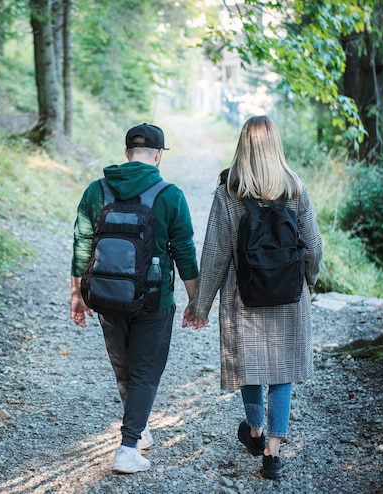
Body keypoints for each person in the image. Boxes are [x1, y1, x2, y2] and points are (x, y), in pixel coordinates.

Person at [183, 115, 323, 479]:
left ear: (243, 145)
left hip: (242, 295)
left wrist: (200, 306)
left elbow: (214, 254)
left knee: (250, 363)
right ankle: (272, 456)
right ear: (276, 145)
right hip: (289, 295)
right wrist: (308, 281)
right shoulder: (295, 188)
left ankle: (255, 431)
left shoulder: (229, 190)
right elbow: (315, 248)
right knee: (283, 370)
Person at [70, 123, 199, 474]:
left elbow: (82, 243)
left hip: (107, 296)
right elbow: (184, 250)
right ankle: (128, 447)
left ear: (126, 153)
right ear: (158, 156)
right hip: (154, 301)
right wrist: (196, 301)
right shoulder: (169, 194)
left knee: (124, 366)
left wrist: (77, 295)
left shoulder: (96, 191)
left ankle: (138, 430)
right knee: (145, 371)